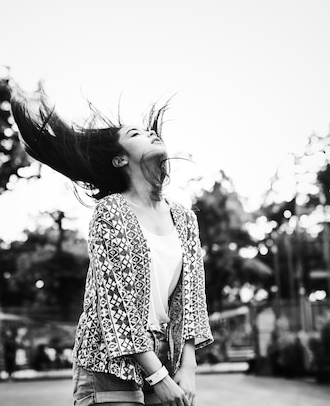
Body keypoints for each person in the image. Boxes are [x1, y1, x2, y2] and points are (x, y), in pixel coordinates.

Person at [11, 87, 213, 406]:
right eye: (137, 134)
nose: (151, 134)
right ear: (120, 158)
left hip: (163, 356)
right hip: (106, 362)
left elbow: (191, 298)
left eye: (151, 132)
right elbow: (115, 304)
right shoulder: (111, 212)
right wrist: (158, 378)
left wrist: (188, 366)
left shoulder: (185, 218)